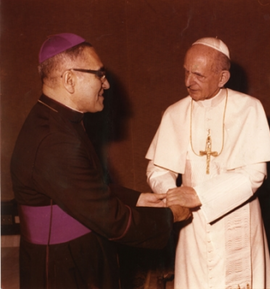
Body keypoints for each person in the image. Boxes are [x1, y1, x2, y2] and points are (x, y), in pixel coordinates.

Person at [10, 33, 190, 289]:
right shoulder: (54, 140)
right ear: (70, 80)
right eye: (99, 75)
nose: (105, 84)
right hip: (64, 267)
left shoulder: (57, 120)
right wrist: (170, 217)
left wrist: (138, 199)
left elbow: (83, 187)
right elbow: (112, 220)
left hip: (78, 253)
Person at [146, 37, 270, 289]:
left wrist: (198, 195)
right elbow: (157, 168)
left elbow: (254, 174)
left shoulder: (249, 109)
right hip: (192, 223)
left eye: (198, 75)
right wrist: (172, 196)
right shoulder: (174, 112)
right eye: (185, 72)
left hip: (239, 217)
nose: (188, 82)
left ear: (222, 78)